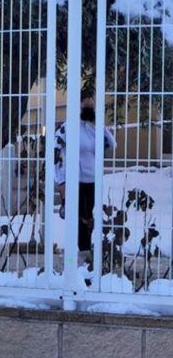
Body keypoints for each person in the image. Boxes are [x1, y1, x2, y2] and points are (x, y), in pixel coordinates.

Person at [54, 92, 115, 256]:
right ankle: (82, 257)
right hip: (75, 181)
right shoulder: (67, 129)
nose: (90, 109)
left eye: (92, 106)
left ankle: (85, 258)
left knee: (89, 219)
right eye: (86, 106)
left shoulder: (93, 128)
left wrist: (99, 125)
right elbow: (55, 157)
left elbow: (111, 144)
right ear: (77, 106)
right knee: (80, 220)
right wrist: (61, 183)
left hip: (93, 181)